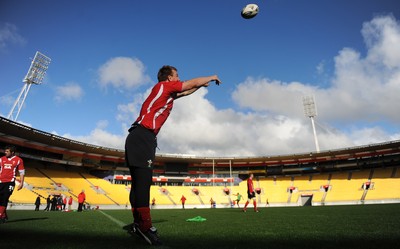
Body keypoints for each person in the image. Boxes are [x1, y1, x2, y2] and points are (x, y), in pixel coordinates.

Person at [125, 65, 221, 245]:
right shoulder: (164, 86)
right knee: (143, 183)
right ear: (169, 78)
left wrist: (199, 86)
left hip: (136, 137)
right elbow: (188, 84)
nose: (178, 79)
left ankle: (138, 223)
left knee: (137, 184)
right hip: (143, 136)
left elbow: (186, 92)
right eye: (176, 76)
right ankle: (145, 227)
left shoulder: (165, 93)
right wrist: (211, 76)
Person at [0, 145, 25, 223]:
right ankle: (3, 216)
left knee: (5, 198)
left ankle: (0, 215)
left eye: (7, 151)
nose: (5, 152)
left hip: (10, 182)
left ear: (12, 152)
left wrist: (21, 183)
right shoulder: (1, 159)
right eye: (5, 151)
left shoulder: (18, 160)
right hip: (0, 182)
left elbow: (21, 172)